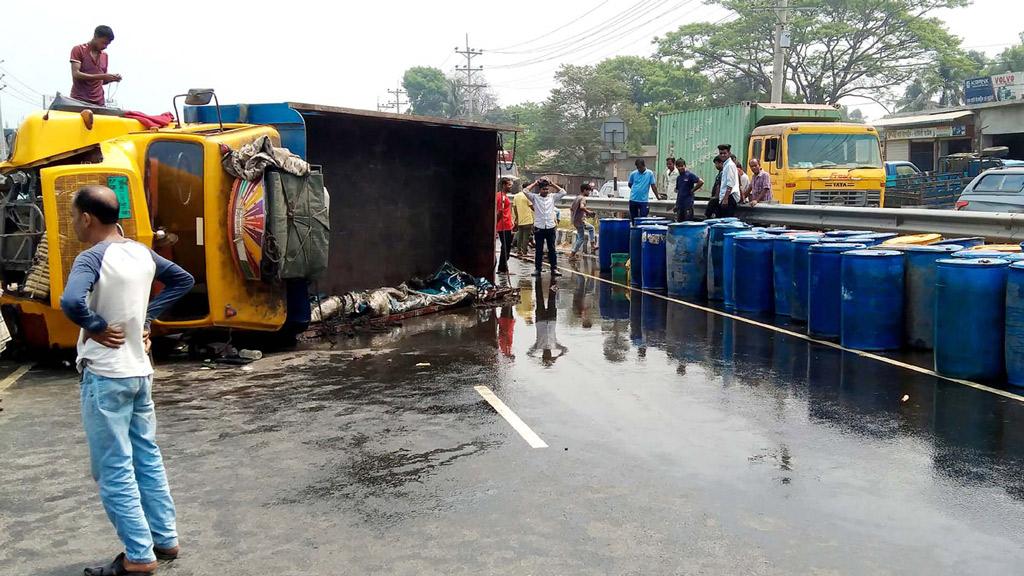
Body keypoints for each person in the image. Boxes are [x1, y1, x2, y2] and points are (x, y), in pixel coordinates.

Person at [59, 185, 194, 576]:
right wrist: (148, 318)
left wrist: (95, 326)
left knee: (113, 466)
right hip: (140, 371)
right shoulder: (141, 252)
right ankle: (165, 538)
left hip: (105, 376)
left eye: (73, 216)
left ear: (87, 217)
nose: (73, 223)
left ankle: (138, 555)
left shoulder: (91, 257)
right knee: (146, 457)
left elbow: (70, 302)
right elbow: (183, 280)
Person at [523, 178, 567, 277]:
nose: (546, 191)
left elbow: (563, 192)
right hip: (539, 226)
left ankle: (554, 268)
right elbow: (525, 191)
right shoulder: (534, 198)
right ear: (540, 189)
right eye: (544, 189)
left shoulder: (552, 197)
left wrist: (553, 184)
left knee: (552, 248)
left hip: (550, 226)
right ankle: (537, 269)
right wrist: (535, 183)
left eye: (547, 189)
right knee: (539, 249)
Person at [70, 25, 122, 107]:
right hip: (79, 100)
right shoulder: (78, 50)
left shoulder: (104, 56)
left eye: (107, 44)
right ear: (95, 36)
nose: (105, 47)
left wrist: (112, 78)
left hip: (99, 103)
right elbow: (76, 74)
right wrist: (103, 76)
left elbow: (102, 80)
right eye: (103, 43)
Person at [528, 278, 567, 366]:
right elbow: (565, 350)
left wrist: (538, 360)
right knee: (552, 298)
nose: (547, 354)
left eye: (545, 356)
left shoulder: (538, 346)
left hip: (540, 320)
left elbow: (529, 354)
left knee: (539, 298)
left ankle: (538, 279)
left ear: (542, 355)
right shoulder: (555, 345)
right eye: (549, 355)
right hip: (552, 319)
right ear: (551, 354)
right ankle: (553, 278)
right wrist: (556, 358)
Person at [569, 182, 597, 262]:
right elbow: (581, 207)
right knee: (581, 238)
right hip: (579, 221)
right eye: (588, 191)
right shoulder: (583, 198)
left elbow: (571, 208)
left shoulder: (577, 197)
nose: (589, 193)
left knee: (591, 228)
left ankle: (592, 245)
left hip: (575, 220)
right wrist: (588, 212)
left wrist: (582, 214)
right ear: (584, 190)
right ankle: (572, 255)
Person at [627, 159, 660, 223]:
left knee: (643, 218)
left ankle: (642, 232)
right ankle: (635, 231)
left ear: (644, 165)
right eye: (638, 168)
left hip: (643, 200)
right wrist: (635, 190)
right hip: (633, 199)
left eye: (640, 167)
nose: (639, 169)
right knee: (633, 219)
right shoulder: (633, 174)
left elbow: (653, 186)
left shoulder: (649, 173)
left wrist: (657, 196)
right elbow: (630, 184)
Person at [495, 177, 515, 274]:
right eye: (509, 185)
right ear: (503, 185)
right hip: (504, 225)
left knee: (506, 246)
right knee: (506, 247)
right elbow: (499, 212)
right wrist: (495, 226)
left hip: (507, 224)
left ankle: (502, 267)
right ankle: (502, 268)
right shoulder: (501, 197)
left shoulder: (502, 196)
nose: (510, 187)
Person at [512, 184, 534, 257]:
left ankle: (519, 251)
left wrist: (517, 217)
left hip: (520, 220)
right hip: (528, 220)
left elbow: (514, 208)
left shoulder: (516, 196)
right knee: (526, 237)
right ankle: (524, 252)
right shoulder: (528, 196)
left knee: (520, 236)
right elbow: (532, 207)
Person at [717, 144, 740, 218]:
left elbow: (730, 184)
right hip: (726, 196)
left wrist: (725, 198)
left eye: (724, 153)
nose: (723, 155)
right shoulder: (726, 165)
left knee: (727, 222)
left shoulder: (730, 165)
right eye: (721, 153)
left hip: (729, 197)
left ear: (729, 153)